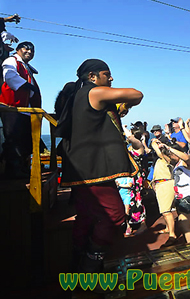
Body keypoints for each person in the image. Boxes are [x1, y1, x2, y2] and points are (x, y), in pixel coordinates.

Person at [56, 59, 143, 272]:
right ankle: (90, 264)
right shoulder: (93, 92)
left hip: (81, 170)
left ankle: (77, 262)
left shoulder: (78, 97)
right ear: (92, 76)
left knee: (86, 216)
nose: (111, 78)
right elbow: (136, 94)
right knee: (114, 215)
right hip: (94, 171)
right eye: (107, 74)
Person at [0, 41, 41, 178]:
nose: (29, 52)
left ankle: (23, 167)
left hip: (24, 109)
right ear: (18, 50)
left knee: (24, 139)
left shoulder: (26, 67)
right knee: (13, 138)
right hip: (11, 107)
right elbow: (10, 76)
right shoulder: (11, 60)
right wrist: (26, 85)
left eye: (32, 51)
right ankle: (12, 171)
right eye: (26, 49)